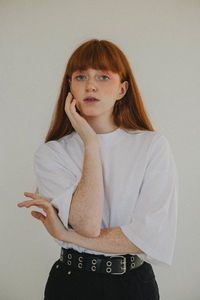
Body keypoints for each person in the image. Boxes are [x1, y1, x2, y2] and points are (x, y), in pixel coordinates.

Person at [17, 39, 178, 300]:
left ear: (122, 89)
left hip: (133, 284)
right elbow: (87, 225)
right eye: (80, 76)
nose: (90, 85)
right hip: (70, 283)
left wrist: (65, 234)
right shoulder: (51, 153)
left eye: (103, 76)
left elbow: (146, 238)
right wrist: (91, 143)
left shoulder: (152, 146)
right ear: (69, 87)